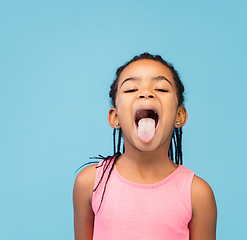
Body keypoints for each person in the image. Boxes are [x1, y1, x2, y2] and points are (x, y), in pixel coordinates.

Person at [73, 53, 217, 240]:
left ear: (179, 116)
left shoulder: (197, 194)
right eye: (131, 89)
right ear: (114, 117)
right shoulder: (89, 183)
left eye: (161, 89)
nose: (146, 93)